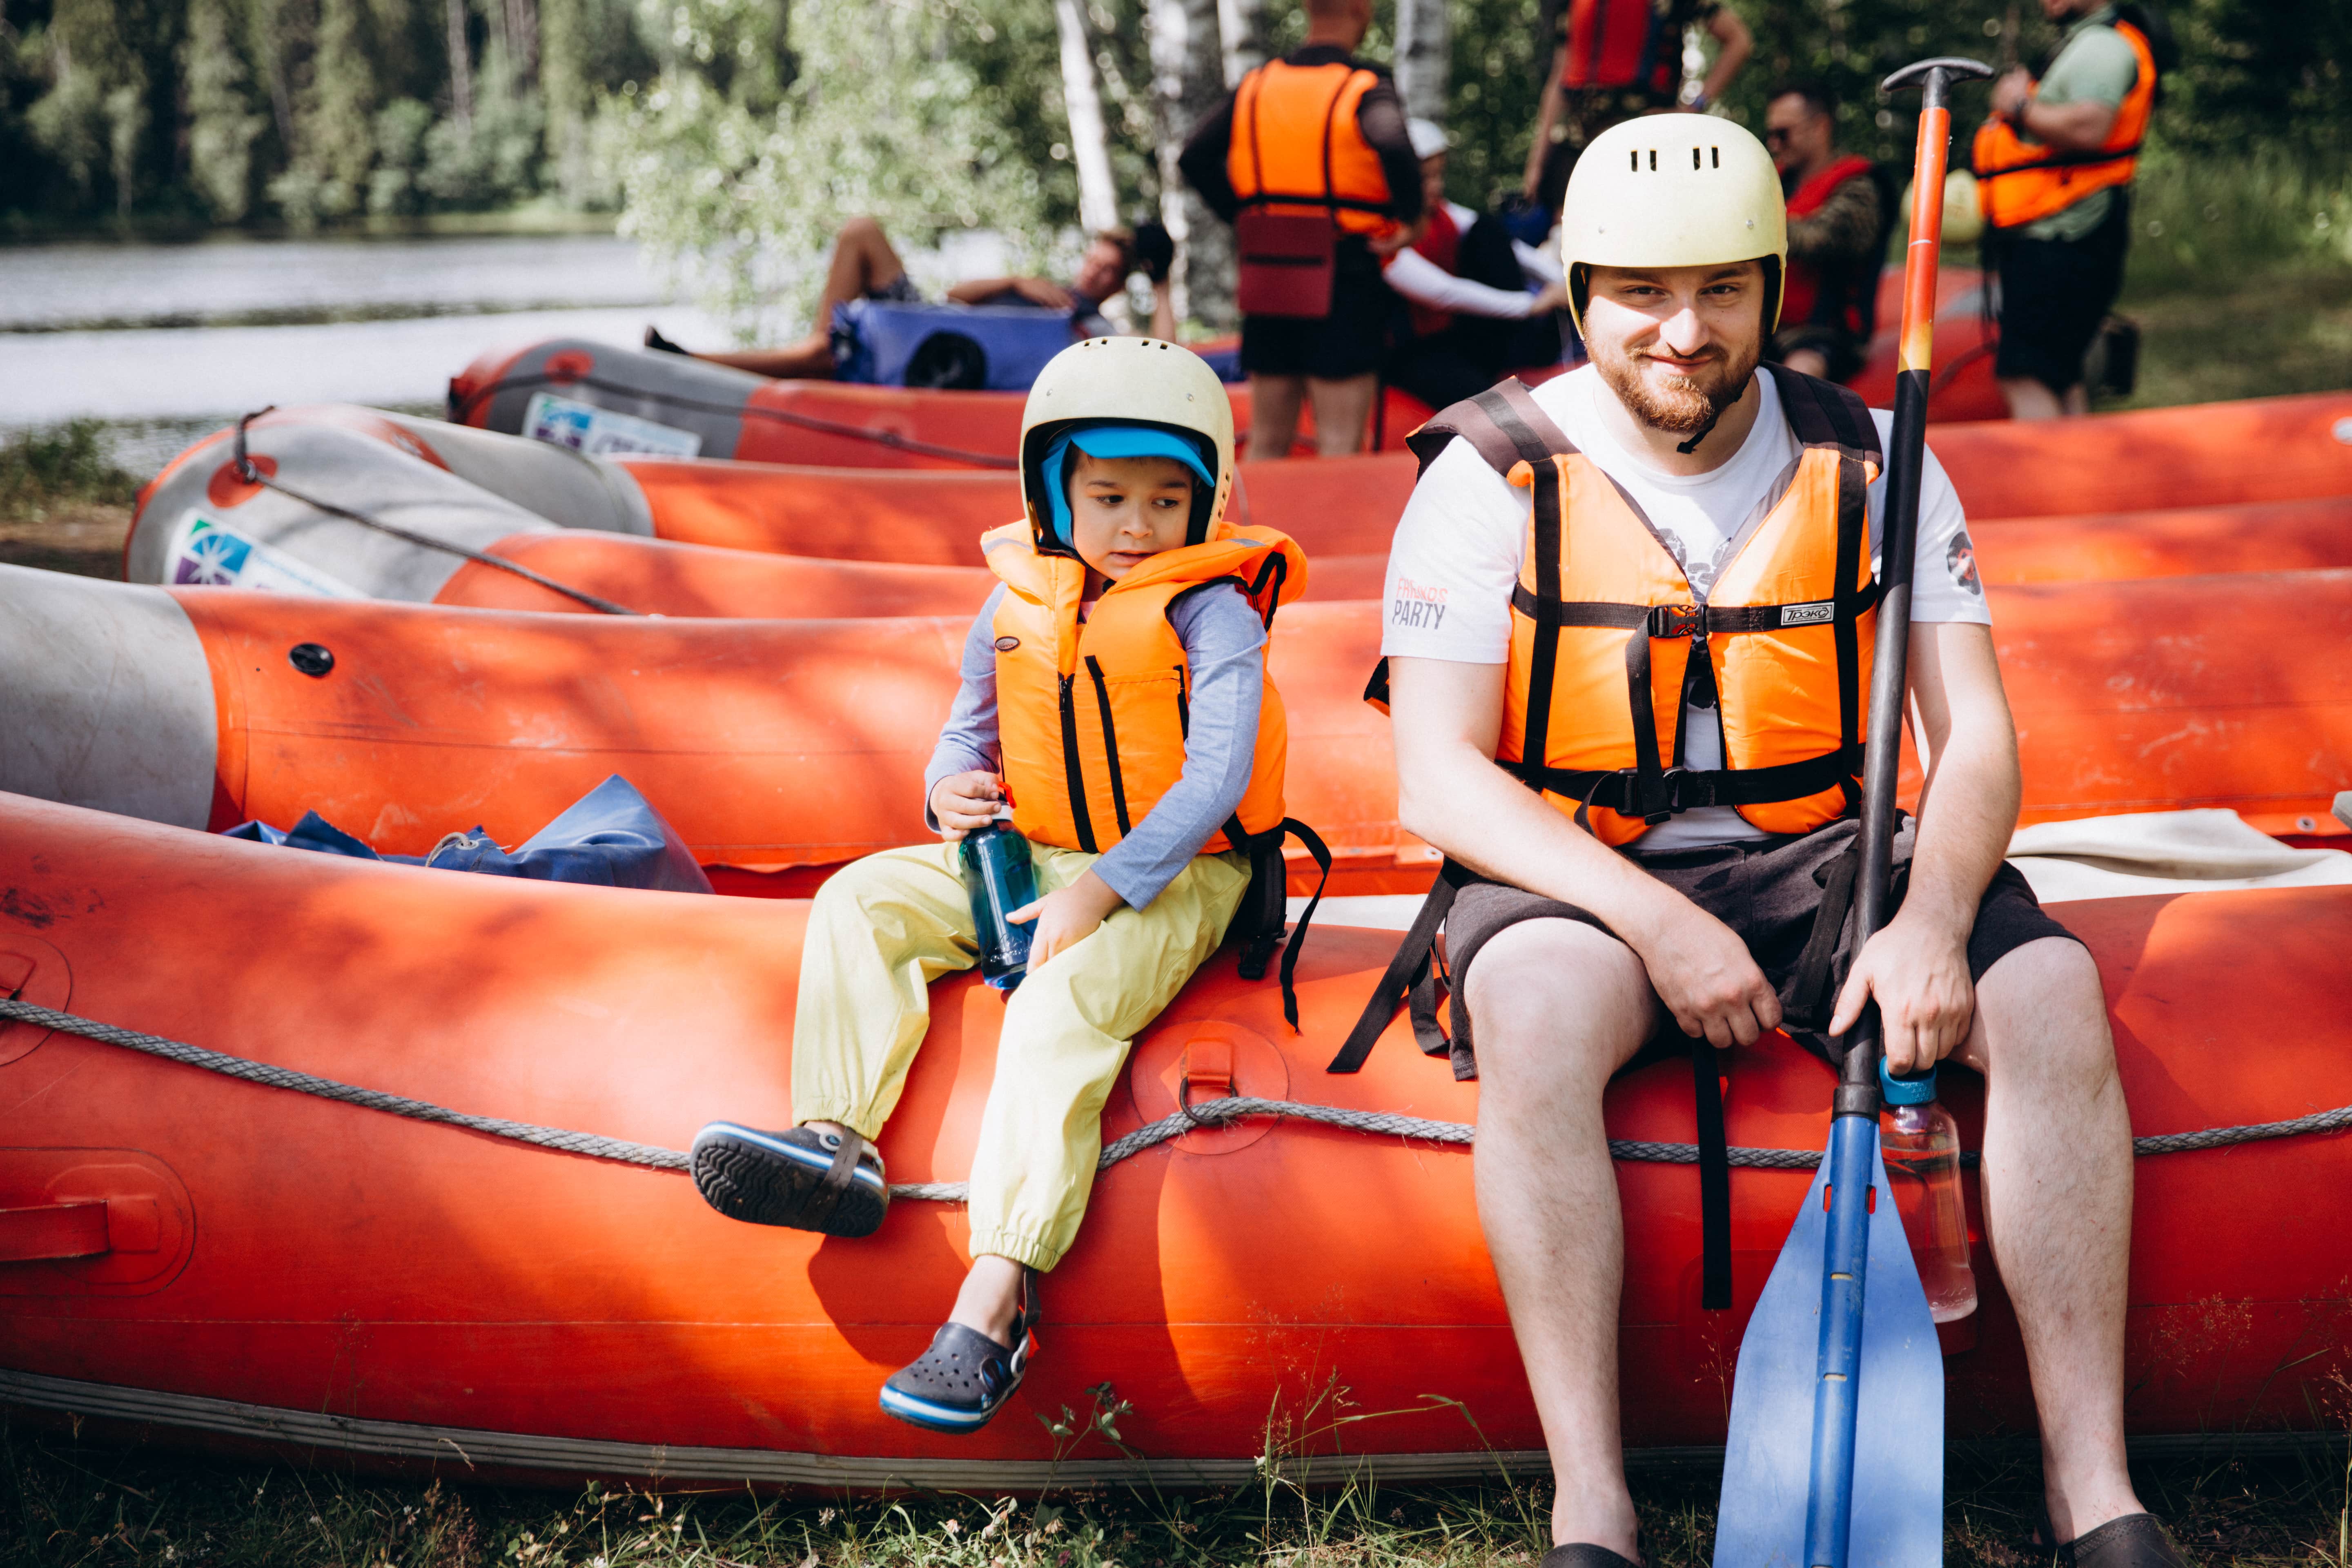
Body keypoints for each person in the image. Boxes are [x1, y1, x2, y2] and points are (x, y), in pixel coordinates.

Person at [1366, 116, 2180, 1567]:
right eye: (1639, 294)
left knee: (2045, 993)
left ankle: (2092, 1487)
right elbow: (1435, 779)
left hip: (1825, 854)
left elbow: (1973, 739)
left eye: (1720, 292)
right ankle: (1590, 1509)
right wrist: (1660, 925)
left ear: (1770, 286)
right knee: (1536, 1008)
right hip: (1582, 863)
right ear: (1578, 297)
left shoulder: (1879, 457)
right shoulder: (1484, 475)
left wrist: (1931, 921)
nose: (1680, 332)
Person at [687, 337, 1308, 1435]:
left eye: (1168, 501)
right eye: (1108, 496)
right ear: (1051, 493)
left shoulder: (1215, 614)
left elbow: (1214, 780)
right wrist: (948, 793)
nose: (1135, 526)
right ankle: (836, 1142)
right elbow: (965, 729)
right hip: (1043, 856)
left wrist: (1103, 892)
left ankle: (997, 1300)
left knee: (1057, 1007)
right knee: (862, 898)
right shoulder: (1016, 600)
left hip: (1181, 877)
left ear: (1205, 504)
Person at [1178, 0, 1423, 459]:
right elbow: (1392, 143)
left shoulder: (1258, 83)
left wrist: (1245, 217)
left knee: (1267, 440)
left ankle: (1247, 534)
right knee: (1339, 442)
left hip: (1271, 272)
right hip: (1345, 273)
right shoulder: (1364, 84)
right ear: (1359, 10)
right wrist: (1412, 220)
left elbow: (1194, 156)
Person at [646, 219, 1177, 379]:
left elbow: (1167, 356)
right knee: (861, 233)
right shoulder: (1045, 290)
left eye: (1108, 270)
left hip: (926, 356)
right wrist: (1014, 281)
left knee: (819, 357)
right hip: (926, 319)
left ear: (1118, 282)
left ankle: (685, 360)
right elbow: (955, 295)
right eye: (1093, 260)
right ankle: (819, 342)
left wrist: (1163, 284)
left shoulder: (1090, 328)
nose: (1095, 271)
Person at [1974, 0, 2161, 419]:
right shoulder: (2092, 42)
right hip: (2064, 235)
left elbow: (2089, 127)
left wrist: (2017, 104)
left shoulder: (2102, 47)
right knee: (2062, 374)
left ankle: (2045, 483)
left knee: (2025, 375)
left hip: (2064, 237)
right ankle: (2082, 481)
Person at [1382, 117, 1575, 412]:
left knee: (1487, 229)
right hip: (1408, 353)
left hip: (1451, 339)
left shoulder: (1441, 212)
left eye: (1438, 175)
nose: (1437, 186)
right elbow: (1443, 292)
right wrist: (1532, 305)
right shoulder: (1381, 229)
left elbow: (1515, 251)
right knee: (1475, 393)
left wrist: (1570, 283)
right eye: (1425, 178)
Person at [1521, 0, 1753, 220]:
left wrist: (1692, 108)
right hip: (1574, 154)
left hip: (1644, 154)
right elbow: (1559, 78)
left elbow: (1739, 40)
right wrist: (1536, 165)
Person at [1763, 79, 1890, 384]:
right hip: (1767, 329)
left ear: (1820, 127)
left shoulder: (1860, 185)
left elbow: (1827, 239)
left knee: (1800, 374)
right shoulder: (1772, 182)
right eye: (1771, 134)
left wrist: (1752, 225)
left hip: (1825, 334)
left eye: (1783, 133)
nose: (1774, 145)